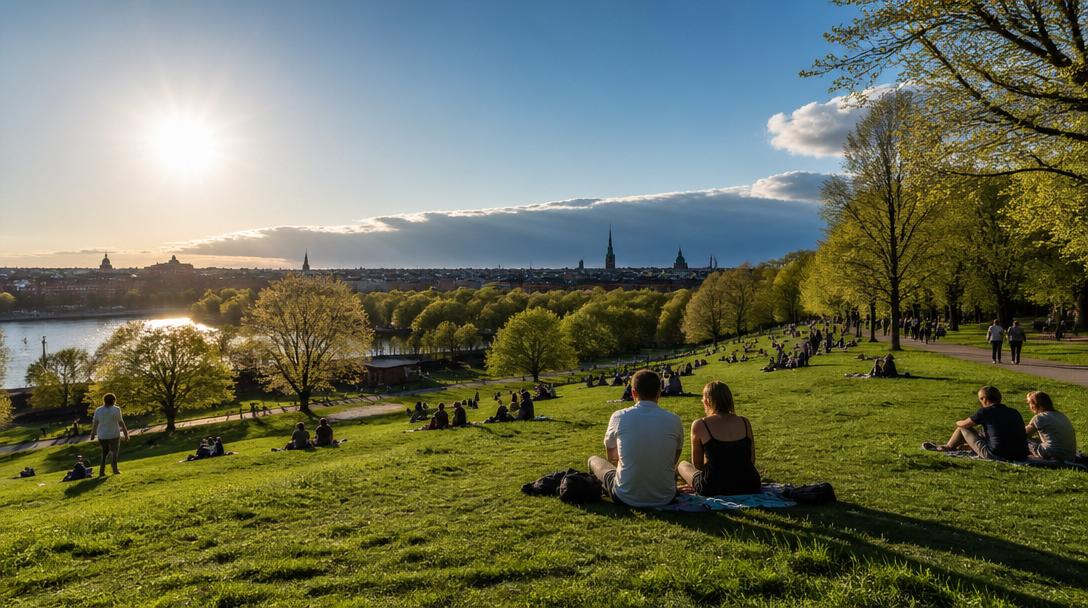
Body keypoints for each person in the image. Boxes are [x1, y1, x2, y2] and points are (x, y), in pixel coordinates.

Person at [588, 369, 684, 508]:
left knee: (594, 460)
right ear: (659, 392)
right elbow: (674, 458)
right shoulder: (674, 420)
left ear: (633, 393)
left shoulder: (619, 416)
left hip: (625, 496)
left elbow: (612, 457)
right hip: (666, 496)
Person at [678, 382, 761, 496]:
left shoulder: (700, 424)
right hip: (750, 483)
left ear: (707, 401)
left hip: (713, 486)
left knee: (682, 465)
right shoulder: (744, 422)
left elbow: (698, 466)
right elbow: (751, 460)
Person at [924, 386, 1028, 461]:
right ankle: (963, 446)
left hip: (997, 454)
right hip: (1021, 454)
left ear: (984, 399)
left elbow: (964, 425)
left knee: (962, 429)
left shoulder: (984, 411)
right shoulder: (1014, 412)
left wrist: (957, 421)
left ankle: (948, 447)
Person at [1023, 391, 1077, 461]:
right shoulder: (1061, 415)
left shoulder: (1039, 417)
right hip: (1069, 456)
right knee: (1037, 440)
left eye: (1029, 403)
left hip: (1052, 454)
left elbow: (1023, 434)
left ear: (1034, 405)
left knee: (1023, 439)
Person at [90, 393, 129, 476]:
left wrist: (93, 434)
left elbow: (95, 423)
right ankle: (115, 470)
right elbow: (121, 422)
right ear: (113, 400)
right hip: (114, 434)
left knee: (104, 453)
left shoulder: (98, 410)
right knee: (114, 452)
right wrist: (126, 434)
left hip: (102, 436)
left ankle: (101, 472)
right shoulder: (116, 409)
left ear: (104, 400)